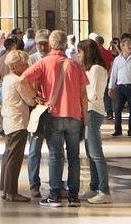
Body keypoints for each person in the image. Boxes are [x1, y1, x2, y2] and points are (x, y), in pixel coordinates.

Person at [22, 29, 87, 208]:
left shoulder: (44, 63)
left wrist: (35, 96)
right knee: (74, 157)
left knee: (55, 156)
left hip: (54, 115)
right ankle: (73, 196)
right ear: (65, 45)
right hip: (74, 115)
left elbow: (23, 79)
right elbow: (83, 94)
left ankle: (55, 195)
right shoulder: (75, 65)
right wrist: (85, 118)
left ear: (51, 45)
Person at [0, 49, 34, 201]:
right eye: (24, 64)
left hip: (9, 120)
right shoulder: (18, 81)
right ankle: (12, 192)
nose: (27, 66)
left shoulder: (7, 79)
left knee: (8, 156)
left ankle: (5, 189)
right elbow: (30, 100)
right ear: (15, 66)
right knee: (15, 159)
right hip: (18, 121)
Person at [78, 37, 112, 204]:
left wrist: (79, 95)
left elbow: (94, 94)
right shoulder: (90, 69)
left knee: (96, 153)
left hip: (93, 112)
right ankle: (93, 186)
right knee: (90, 153)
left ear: (87, 52)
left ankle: (104, 191)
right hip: (87, 112)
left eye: (80, 51)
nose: (78, 55)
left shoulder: (97, 69)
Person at [108, 36, 131, 137]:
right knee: (117, 109)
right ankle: (117, 130)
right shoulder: (117, 59)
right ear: (122, 47)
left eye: (130, 44)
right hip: (120, 87)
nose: (130, 46)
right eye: (128, 45)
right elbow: (114, 74)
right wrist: (110, 87)